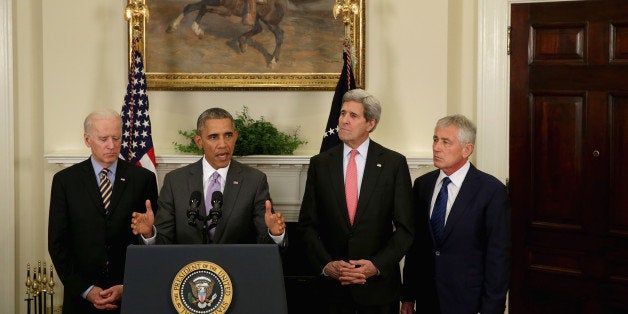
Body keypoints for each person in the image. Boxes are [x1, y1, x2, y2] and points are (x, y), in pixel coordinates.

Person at [297, 89, 414, 313]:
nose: (343, 121)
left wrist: (376, 265)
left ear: (370, 123)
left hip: (378, 290)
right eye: (342, 114)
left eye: (353, 116)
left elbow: (405, 229)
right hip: (332, 291)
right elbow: (307, 225)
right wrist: (327, 265)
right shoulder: (320, 164)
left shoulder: (393, 164)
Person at [48, 109, 158, 313]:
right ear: (87, 140)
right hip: (81, 301)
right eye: (103, 139)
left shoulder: (143, 179)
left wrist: (149, 234)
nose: (112, 145)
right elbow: (58, 244)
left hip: (130, 296)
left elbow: (152, 244)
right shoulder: (65, 181)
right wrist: (86, 290)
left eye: (116, 138)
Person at [400, 114, 510, 314]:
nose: (436, 147)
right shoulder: (422, 185)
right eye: (435, 139)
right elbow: (415, 247)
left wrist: (492, 308)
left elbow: (498, 258)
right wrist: (408, 296)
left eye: (445, 142)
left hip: (468, 303)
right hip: (427, 300)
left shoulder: (492, 191)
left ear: (467, 149)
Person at [131, 107, 286, 245]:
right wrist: (149, 234)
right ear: (199, 141)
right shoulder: (175, 181)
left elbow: (264, 242)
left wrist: (275, 233)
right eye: (213, 137)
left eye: (228, 135)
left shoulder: (255, 180)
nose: (223, 144)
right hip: (187, 270)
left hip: (236, 271)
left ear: (236, 137)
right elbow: (163, 241)